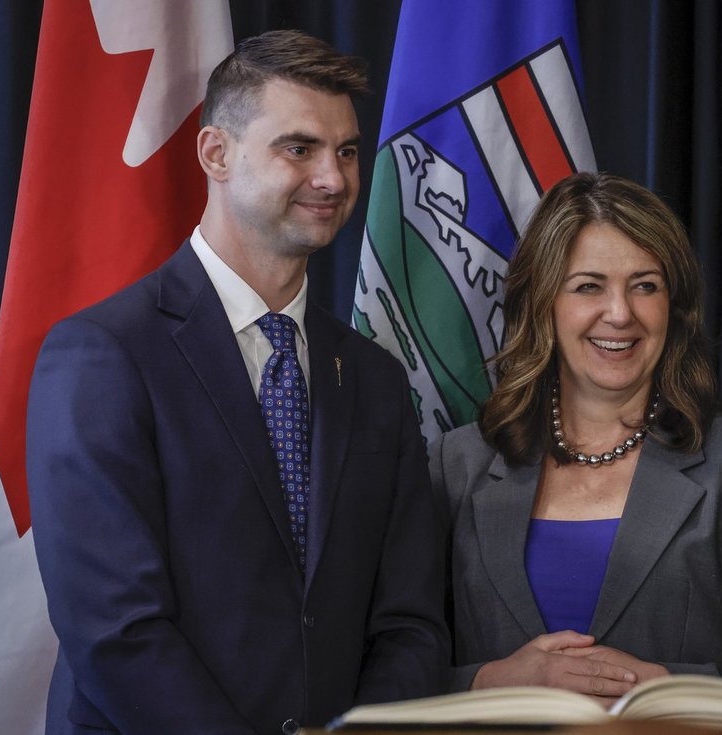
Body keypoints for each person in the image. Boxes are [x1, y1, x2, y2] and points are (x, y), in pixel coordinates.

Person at [27, 30, 448, 734]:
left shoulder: (375, 378)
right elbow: (116, 630)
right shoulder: (102, 354)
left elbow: (410, 624)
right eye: (299, 148)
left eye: (346, 151)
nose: (335, 178)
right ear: (216, 153)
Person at [429, 172, 722, 711]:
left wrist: (665, 689)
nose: (621, 313)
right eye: (589, 286)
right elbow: (379, 675)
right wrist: (492, 681)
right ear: (542, 303)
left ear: (673, 305)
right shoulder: (454, 465)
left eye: (645, 285)